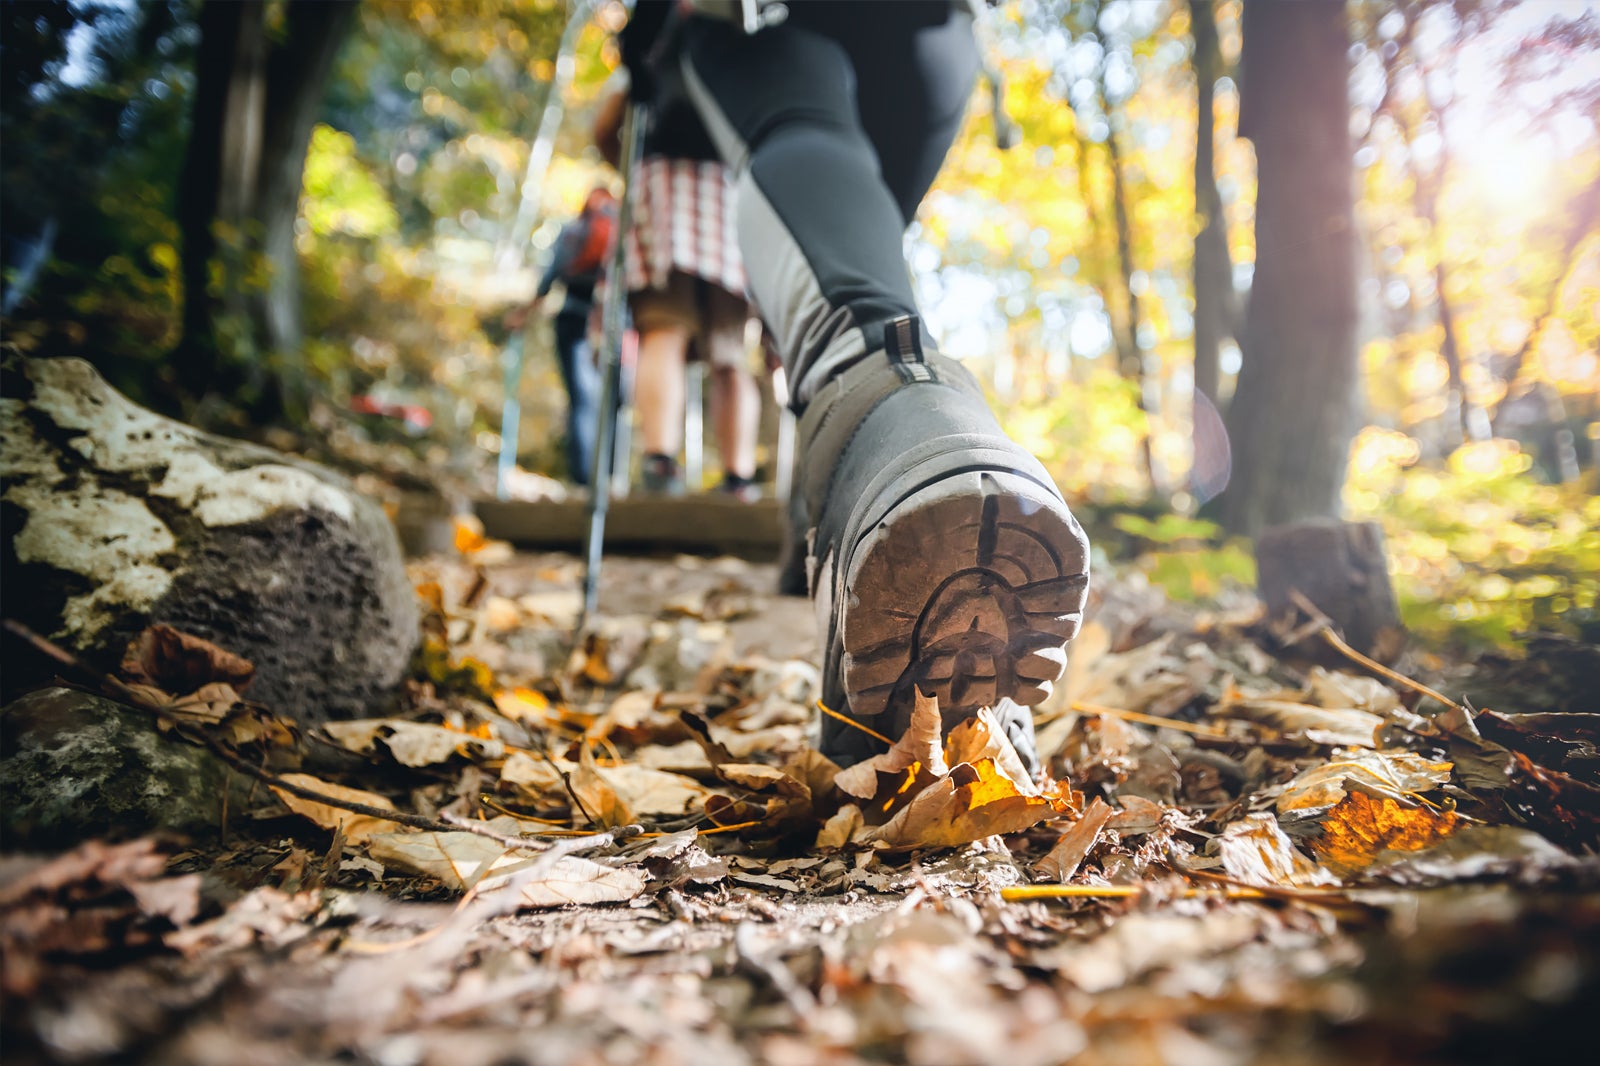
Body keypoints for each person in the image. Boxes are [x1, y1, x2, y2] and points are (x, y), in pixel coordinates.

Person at [622, 0, 1092, 774]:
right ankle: (850, 488)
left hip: (759, 26)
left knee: (807, 151)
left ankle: (889, 422)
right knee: (849, 240)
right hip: (933, 41)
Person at [596, 33, 762, 500]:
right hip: (730, 200)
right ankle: (738, 478)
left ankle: (660, 462)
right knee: (729, 353)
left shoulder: (659, 41)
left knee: (663, 331)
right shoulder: (742, 49)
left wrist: (630, 166)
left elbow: (606, 127)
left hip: (662, 189)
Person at [505, 187, 615, 487]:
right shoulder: (623, 228)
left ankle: (583, 481)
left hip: (572, 319)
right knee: (612, 402)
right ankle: (610, 478)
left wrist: (522, 315)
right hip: (614, 326)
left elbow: (548, 277)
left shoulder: (572, 230)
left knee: (581, 401)